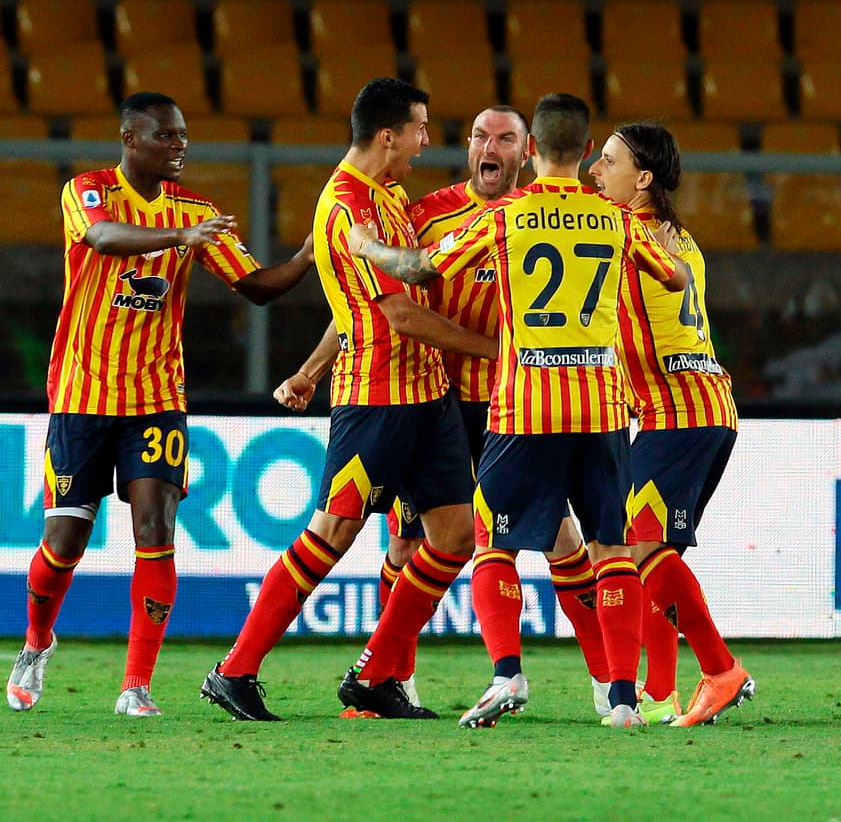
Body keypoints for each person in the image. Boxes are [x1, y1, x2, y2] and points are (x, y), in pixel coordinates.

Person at [348, 93, 688, 728]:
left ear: (531, 150)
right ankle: (620, 698)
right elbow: (674, 277)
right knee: (606, 549)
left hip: (524, 404)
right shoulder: (615, 218)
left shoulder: (506, 217)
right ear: (587, 152)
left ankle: (507, 673)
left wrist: (368, 248)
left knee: (491, 544)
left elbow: (421, 269)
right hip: (602, 406)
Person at [275, 105, 613, 714]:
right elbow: (368, 301)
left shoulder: (537, 216)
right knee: (407, 549)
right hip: (442, 402)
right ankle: (391, 682)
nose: (491, 146)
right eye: (480, 136)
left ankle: (606, 682)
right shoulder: (426, 214)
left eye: (505, 139)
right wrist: (310, 369)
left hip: (518, 405)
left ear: (526, 150)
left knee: (562, 541)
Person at [5, 91, 316, 718]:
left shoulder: (196, 210)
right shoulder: (87, 191)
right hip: (82, 395)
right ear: (130, 138)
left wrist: (310, 255)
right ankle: (36, 641)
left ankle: (135, 685)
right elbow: (101, 238)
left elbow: (256, 287)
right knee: (64, 540)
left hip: (157, 397)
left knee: (156, 528)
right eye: (166, 136)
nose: (180, 145)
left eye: (183, 136)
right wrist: (180, 237)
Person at [200, 78, 495, 721]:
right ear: (388, 134)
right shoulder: (343, 209)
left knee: (454, 535)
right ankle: (234, 670)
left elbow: (360, 300)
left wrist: (308, 368)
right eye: (420, 127)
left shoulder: (388, 196)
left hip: (429, 397)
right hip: (379, 402)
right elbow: (399, 316)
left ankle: (375, 674)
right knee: (331, 534)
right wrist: (496, 353)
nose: (426, 140)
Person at [588, 121, 754, 726]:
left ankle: (719, 669)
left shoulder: (622, 231)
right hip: (709, 409)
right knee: (652, 553)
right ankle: (663, 692)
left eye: (608, 162)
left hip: (676, 413)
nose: (594, 172)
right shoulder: (682, 239)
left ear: (644, 178)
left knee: (635, 548)